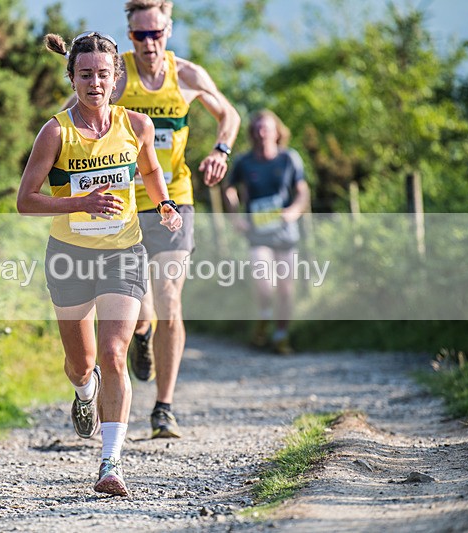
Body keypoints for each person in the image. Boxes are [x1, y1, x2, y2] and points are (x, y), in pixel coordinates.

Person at [17, 31, 182, 497]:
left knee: (113, 354)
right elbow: (26, 201)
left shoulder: (137, 126)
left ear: (116, 78)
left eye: (103, 75)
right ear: (71, 77)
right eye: (85, 74)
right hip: (70, 257)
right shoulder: (56, 132)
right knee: (80, 363)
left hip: (123, 253)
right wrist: (81, 203)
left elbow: (150, 170)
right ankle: (84, 392)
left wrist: (164, 204)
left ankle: (111, 463)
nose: (95, 83)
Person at [114, 0, 240, 439]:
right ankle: (141, 333)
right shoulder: (117, 76)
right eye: (140, 35)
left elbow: (229, 114)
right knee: (141, 306)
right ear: (130, 35)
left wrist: (220, 150)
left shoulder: (186, 75)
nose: (149, 43)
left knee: (169, 299)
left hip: (174, 200)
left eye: (157, 34)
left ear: (168, 31)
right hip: (125, 204)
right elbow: (75, 115)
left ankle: (163, 407)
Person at [223, 109, 310, 355]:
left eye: (267, 128)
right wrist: (235, 218)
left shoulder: (289, 158)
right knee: (264, 284)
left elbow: (302, 190)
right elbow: (229, 188)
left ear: (277, 132)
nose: (262, 133)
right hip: (258, 233)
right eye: (258, 129)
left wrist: (294, 210)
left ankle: (281, 336)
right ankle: (263, 317)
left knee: (286, 289)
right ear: (252, 133)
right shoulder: (244, 161)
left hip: (284, 232)